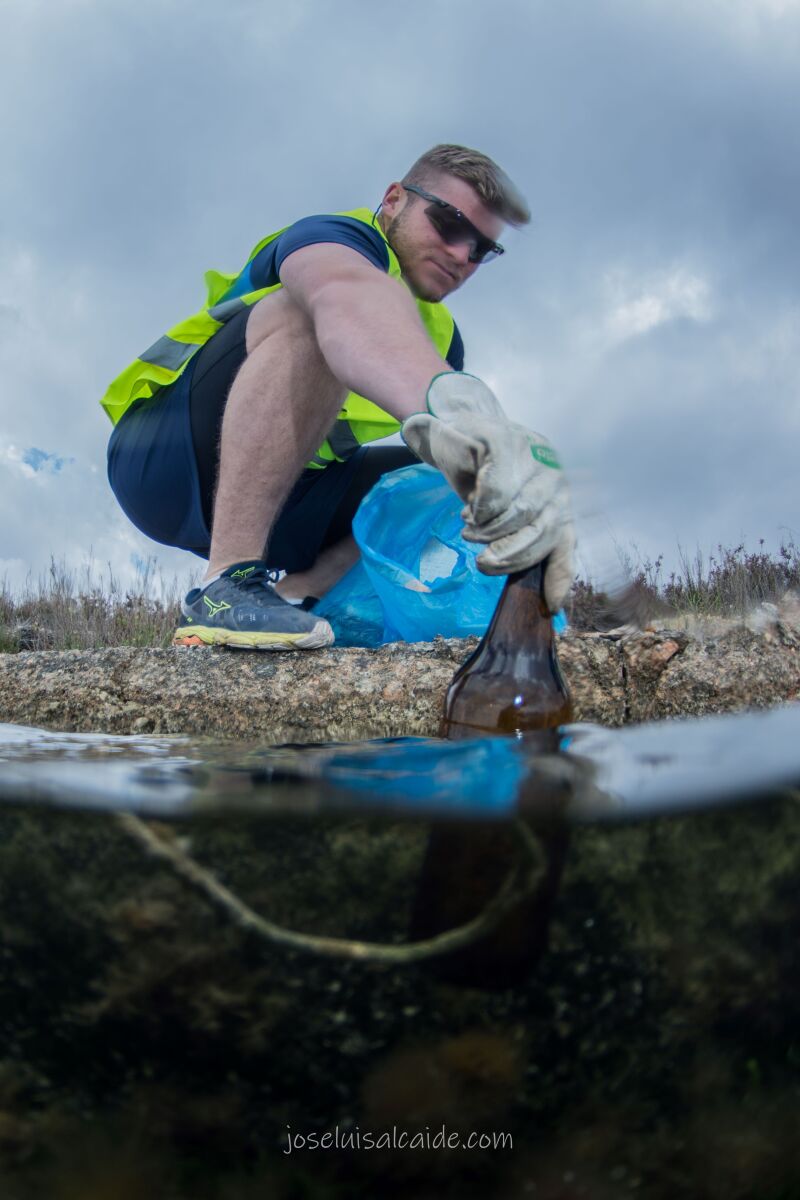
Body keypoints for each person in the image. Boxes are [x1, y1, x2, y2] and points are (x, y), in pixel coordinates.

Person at [101, 144, 575, 650]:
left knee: (444, 482)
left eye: (482, 249)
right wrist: (453, 401)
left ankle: (295, 597)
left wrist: (505, 485)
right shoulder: (337, 237)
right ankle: (224, 586)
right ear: (394, 200)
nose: (462, 255)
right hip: (162, 461)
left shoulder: (444, 342)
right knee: (317, 316)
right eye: (449, 224)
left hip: (285, 497)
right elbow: (343, 293)